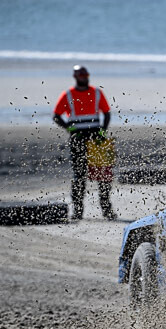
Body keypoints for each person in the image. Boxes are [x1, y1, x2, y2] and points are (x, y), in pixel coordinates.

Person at [53, 65, 116, 220]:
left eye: (85, 75)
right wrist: (70, 129)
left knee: (103, 175)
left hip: (97, 140)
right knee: (79, 176)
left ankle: (107, 211)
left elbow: (106, 113)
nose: (83, 77)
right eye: (81, 75)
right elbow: (56, 116)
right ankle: (78, 211)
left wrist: (103, 130)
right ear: (76, 77)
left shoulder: (96, 92)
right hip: (78, 139)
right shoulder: (68, 95)